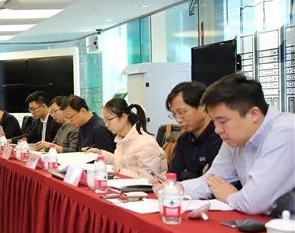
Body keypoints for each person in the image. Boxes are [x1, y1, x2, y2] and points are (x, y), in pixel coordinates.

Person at [177, 74, 295, 216]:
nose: (217, 130)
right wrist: (176, 188)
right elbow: (213, 180)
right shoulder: (235, 138)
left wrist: (230, 196)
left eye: (223, 121)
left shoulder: (286, 131)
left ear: (254, 114)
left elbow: (254, 202)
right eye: (214, 122)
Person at [87, 98, 167, 179]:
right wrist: (100, 153)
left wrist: (120, 171)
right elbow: (121, 162)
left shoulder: (146, 144)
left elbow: (148, 179)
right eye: (105, 121)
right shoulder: (122, 139)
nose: (106, 125)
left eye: (109, 119)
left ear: (124, 117)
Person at [165, 81, 223, 181]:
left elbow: (213, 181)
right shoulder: (184, 139)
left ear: (202, 107)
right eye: (174, 115)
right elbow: (173, 175)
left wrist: (186, 176)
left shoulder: (220, 136)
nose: (178, 119)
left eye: (182, 112)